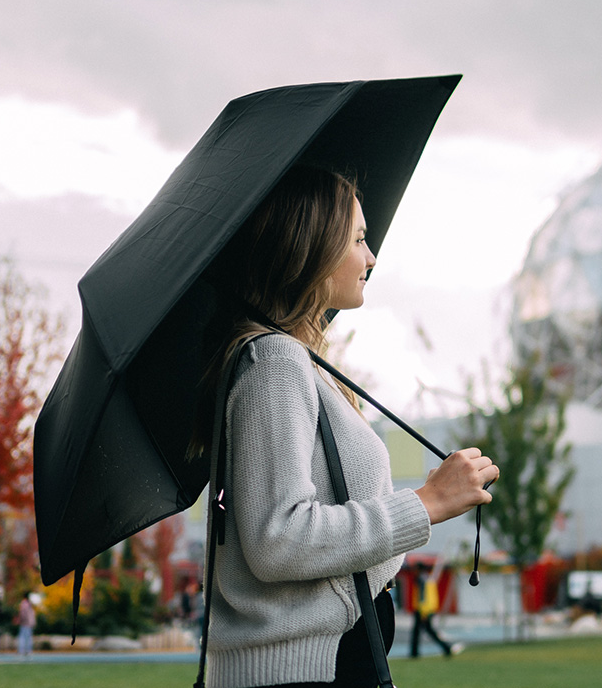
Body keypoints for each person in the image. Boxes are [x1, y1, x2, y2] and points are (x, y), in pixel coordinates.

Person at [192, 166, 498, 688]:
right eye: (358, 238)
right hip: (306, 671)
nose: (371, 257)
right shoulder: (274, 363)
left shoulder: (298, 362)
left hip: (332, 657)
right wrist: (427, 502)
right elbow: (278, 540)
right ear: (312, 250)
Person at [408, 562, 458, 658]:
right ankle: (415, 652)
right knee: (426, 632)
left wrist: (423, 611)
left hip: (423, 610)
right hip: (429, 609)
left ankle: (446, 648)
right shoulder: (429, 579)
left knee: (422, 632)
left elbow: (422, 597)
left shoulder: (421, 579)